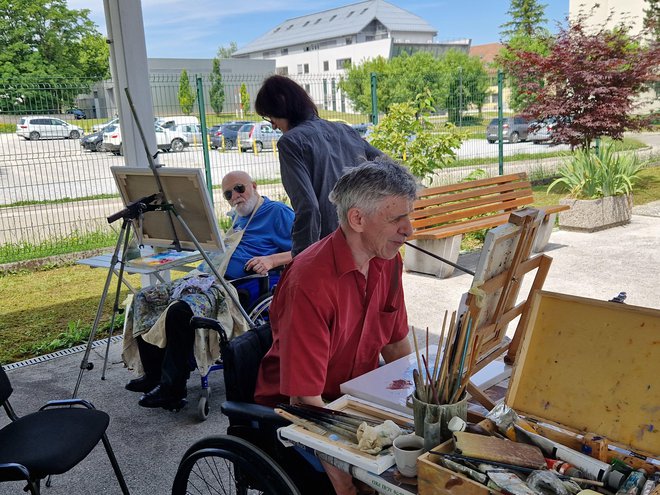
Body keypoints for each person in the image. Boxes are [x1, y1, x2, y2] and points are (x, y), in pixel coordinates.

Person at [254, 159, 417, 495]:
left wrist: (420, 403)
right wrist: (347, 482)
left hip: (353, 397)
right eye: (396, 219)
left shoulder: (388, 261)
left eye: (408, 216)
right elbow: (305, 402)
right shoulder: (310, 281)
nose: (408, 229)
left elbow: (397, 346)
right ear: (357, 219)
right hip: (300, 411)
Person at [123, 171, 294, 411]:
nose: (235, 196)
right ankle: (154, 376)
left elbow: (308, 247)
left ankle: (173, 389)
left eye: (240, 189)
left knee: (180, 311)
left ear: (254, 186)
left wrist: (272, 260)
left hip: (239, 286)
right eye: (228, 194)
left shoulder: (277, 212)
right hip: (208, 278)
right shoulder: (238, 217)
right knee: (145, 298)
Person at [255, 74, 383, 256]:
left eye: (270, 118)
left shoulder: (290, 142)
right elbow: (388, 170)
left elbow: (308, 207)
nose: (274, 127)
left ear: (281, 107)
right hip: (365, 241)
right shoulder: (345, 130)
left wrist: (302, 259)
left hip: (331, 247)